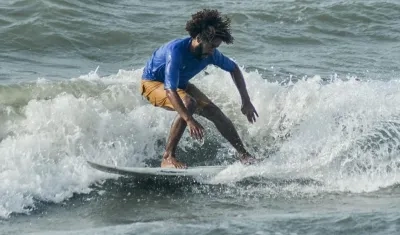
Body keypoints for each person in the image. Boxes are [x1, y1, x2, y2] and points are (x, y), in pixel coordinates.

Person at [140, 9, 258, 168]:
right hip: (152, 84)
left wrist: (246, 101)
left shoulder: (211, 54)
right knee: (189, 102)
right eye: (211, 46)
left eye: (216, 47)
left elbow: (234, 68)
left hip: (181, 84)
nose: (212, 51)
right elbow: (170, 90)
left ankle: (244, 155)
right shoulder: (176, 51)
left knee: (215, 112)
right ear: (198, 38)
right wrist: (189, 120)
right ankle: (168, 157)